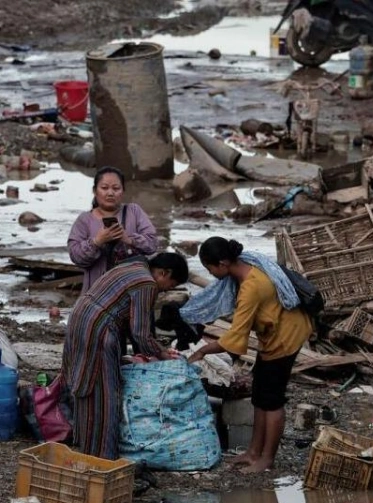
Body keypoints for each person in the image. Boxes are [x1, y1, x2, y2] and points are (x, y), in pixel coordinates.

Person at [182, 237, 312, 474]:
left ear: (222, 263)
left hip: (285, 337)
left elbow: (235, 339)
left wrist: (201, 351)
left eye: (210, 268)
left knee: (271, 401)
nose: (211, 274)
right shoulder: (248, 264)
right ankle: (253, 452)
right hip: (274, 332)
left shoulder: (250, 288)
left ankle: (266, 459)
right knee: (259, 396)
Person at [62, 252, 189, 460]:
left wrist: (147, 349)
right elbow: (140, 332)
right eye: (171, 284)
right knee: (106, 393)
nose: (167, 289)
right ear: (164, 273)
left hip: (80, 318)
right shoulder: (147, 283)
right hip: (98, 328)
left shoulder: (132, 266)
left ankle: (85, 447)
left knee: (85, 384)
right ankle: (103, 457)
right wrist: (162, 354)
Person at [68, 166, 158, 294]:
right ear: (94, 191)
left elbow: (153, 243)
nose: (110, 193)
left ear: (123, 191)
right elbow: (75, 256)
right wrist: (97, 241)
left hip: (130, 291)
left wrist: (129, 239)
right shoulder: (84, 219)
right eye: (104, 188)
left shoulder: (134, 211)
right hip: (95, 293)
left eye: (116, 188)